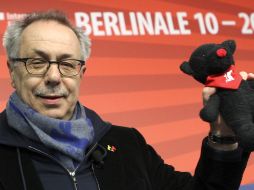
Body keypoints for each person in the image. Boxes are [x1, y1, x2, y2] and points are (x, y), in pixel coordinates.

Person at [0, 10, 250, 190]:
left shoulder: (127, 144)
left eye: (67, 64)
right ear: (12, 71)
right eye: (37, 62)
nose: (54, 76)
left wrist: (223, 137)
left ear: (81, 73)